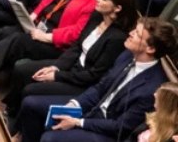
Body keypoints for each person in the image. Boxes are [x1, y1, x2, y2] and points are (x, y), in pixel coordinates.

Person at [18, 18, 177, 142]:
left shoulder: (152, 87)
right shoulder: (127, 55)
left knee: (50, 138)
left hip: (108, 131)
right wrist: (75, 105)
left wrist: (78, 122)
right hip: (94, 108)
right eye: (134, 29)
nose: (130, 33)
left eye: (137, 34)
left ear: (150, 48)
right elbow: (100, 87)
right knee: (31, 104)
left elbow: (120, 127)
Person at [4, 0, 136, 121]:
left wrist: (57, 75)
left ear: (117, 8)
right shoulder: (96, 16)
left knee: (30, 90)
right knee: (22, 70)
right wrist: (56, 67)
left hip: (82, 82)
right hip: (71, 67)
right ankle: (11, 112)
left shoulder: (117, 38)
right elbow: (77, 46)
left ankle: (16, 124)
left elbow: (93, 75)